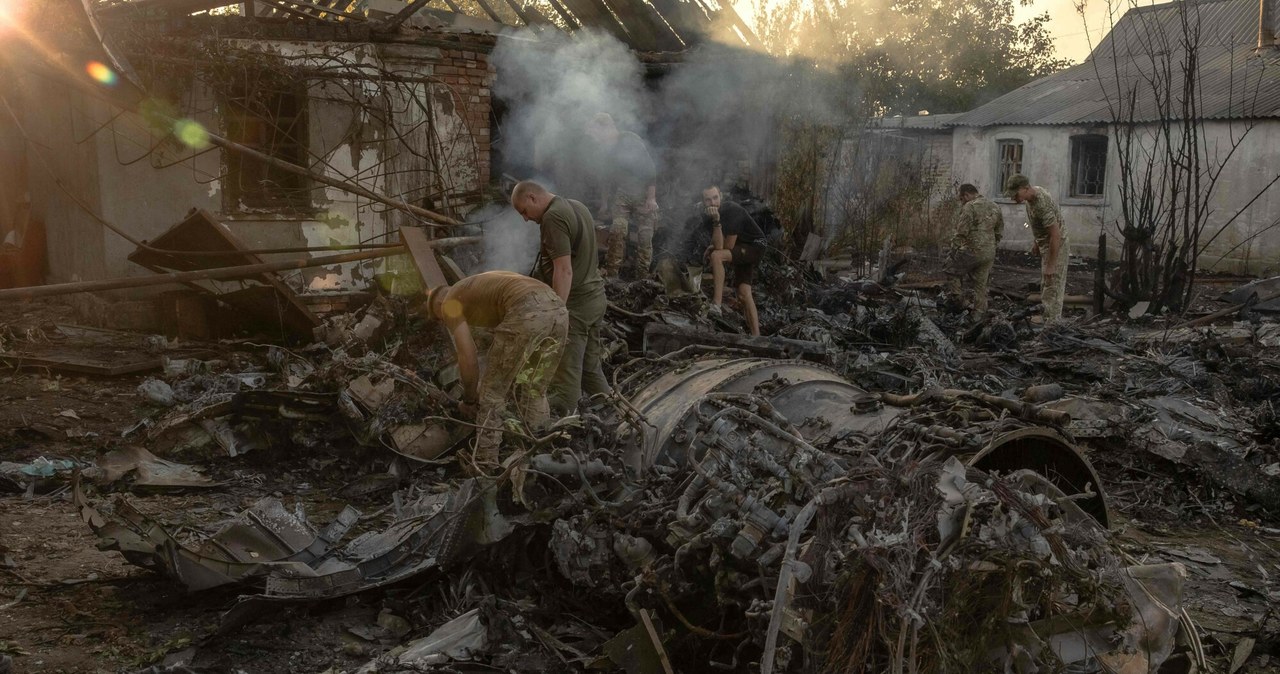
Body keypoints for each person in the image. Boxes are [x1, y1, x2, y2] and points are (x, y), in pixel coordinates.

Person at [425, 271, 568, 470]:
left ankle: (486, 467)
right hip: (558, 310)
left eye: (441, 319)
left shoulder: (449, 302)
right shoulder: (478, 286)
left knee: (491, 396)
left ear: (439, 306)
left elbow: (468, 356)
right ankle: (541, 458)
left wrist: (469, 399)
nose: (445, 323)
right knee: (534, 390)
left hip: (528, 311)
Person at [510, 180, 610, 414]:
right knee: (590, 369)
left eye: (524, 211)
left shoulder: (553, 218)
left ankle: (563, 432)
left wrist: (557, 314)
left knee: (566, 381)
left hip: (576, 308)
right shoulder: (576, 206)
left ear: (532, 197)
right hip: (596, 299)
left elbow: (564, 270)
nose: (525, 218)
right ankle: (614, 416)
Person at [587, 113, 658, 279]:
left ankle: (642, 277)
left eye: (597, 133)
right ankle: (612, 275)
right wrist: (604, 203)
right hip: (623, 194)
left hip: (642, 192)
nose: (596, 139)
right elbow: (606, 178)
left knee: (645, 236)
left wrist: (651, 198)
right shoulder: (605, 149)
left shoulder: (630, 140)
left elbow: (650, 169)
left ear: (607, 128)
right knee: (618, 230)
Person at [702, 185, 765, 336]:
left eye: (715, 198)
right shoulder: (708, 214)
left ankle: (716, 304)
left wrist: (716, 221)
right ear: (703, 202)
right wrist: (712, 243)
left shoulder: (731, 210)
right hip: (741, 246)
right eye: (708, 200)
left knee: (717, 256)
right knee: (744, 293)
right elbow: (718, 244)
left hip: (755, 245)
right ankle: (757, 337)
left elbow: (726, 247)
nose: (713, 203)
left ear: (721, 196)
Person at [1005, 174, 1069, 323]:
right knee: (1046, 285)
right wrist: (1037, 242)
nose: (1013, 198)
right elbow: (1038, 224)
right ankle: (1048, 320)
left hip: (1056, 245)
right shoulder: (1030, 198)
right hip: (1046, 243)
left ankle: (1052, 326)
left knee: (1052, 285)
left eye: (1015, 194)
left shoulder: (1041, 204)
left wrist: (1051, 265)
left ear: (1026, 188)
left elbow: (1056, 235)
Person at [946, 183, 1004, 315]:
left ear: (966, 195)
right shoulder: (995, 206)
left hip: (972, 250)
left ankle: (958, 302)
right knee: (981, 285)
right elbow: (999, 232)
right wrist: (992, 246)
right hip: (989, 252)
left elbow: (961, 232)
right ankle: (979, 315)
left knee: (950, 267)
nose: (961, 202)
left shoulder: (970, 206)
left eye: (961, 199)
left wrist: (953, 250)